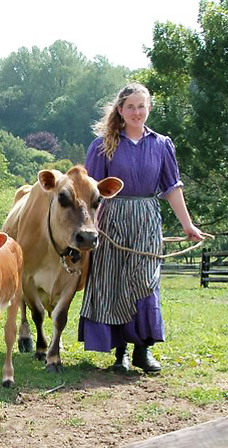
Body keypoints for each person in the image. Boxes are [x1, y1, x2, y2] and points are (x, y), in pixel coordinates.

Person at [78, 83, 203, 373]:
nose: (136, 112)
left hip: (147, 218)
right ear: (120, 110)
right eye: (130, 106)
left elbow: (172, 188)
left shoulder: (161, 144)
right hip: (112, 217)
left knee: (145, 281)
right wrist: (90, 229)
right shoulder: (101, 146)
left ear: (149, 108)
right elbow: (90, 193)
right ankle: (120, 353)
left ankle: (142, 351)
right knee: (114, 283)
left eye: (141, 106)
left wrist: (188, 225)